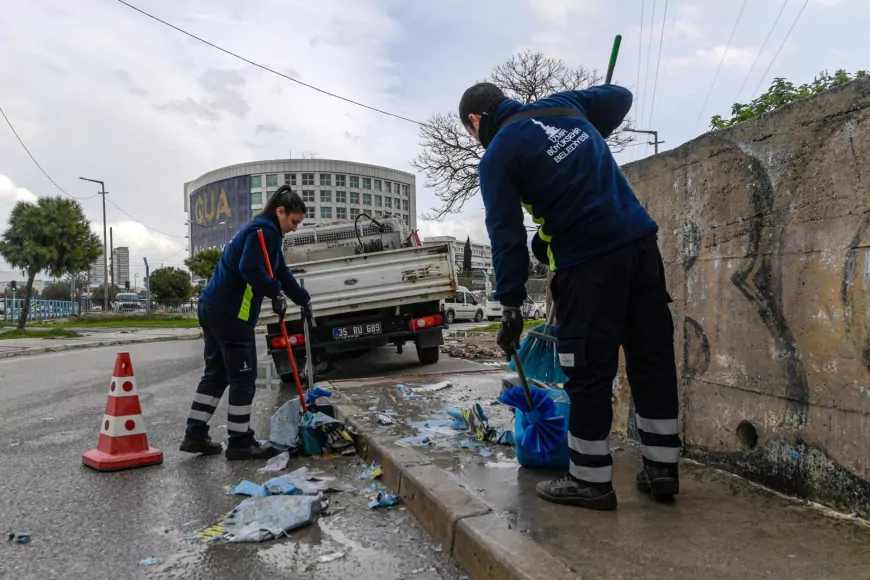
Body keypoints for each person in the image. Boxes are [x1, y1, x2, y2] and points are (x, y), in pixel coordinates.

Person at [458, 82, 681, 511]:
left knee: (588, 371)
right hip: (640, 245)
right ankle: (662, 469)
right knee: (651, 358)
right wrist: (588, 130)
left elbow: (504, 237)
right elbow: (620, 96)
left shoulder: (498, 155)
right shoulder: (564, 105)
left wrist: (510, 303)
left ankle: (590, 480)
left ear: (475, 122)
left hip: (589, 263)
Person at [180, 185, 312, 460]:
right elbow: (250, 269)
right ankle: (240, 442)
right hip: (231, 314)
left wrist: (303, 299)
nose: (295, 228)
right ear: (281, 211)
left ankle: (195, 434)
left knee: (216, 374)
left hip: (213, 307)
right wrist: (274, 290)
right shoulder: (263, 232)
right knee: (244, 377)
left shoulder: (265, 233)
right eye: (294, 221)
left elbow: (280, 271)